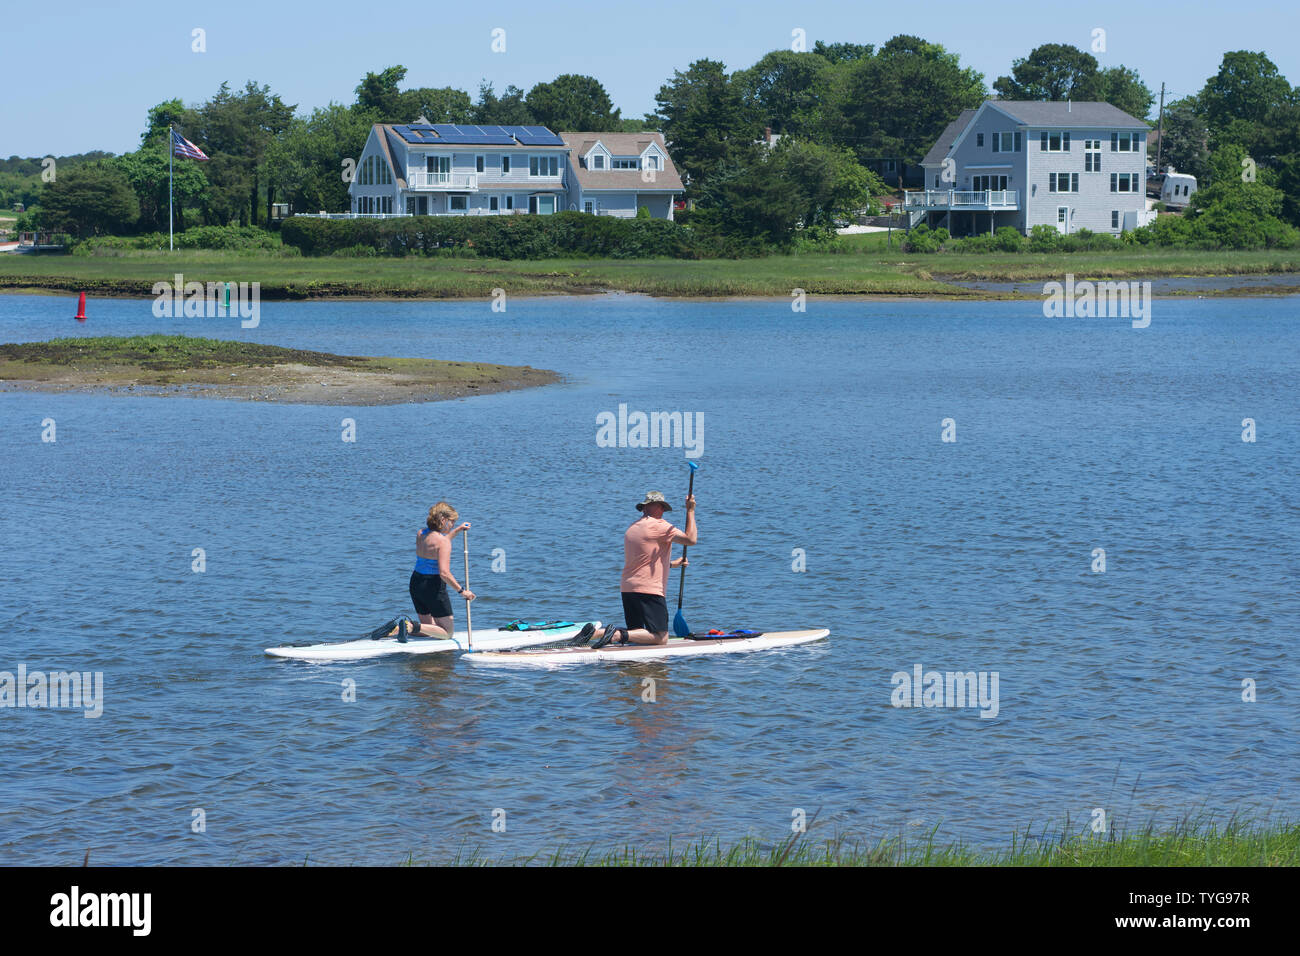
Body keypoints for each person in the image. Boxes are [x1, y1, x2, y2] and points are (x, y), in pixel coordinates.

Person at [580, 490, 697, 649]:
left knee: (638, 633)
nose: (663, 512)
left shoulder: (633, 527)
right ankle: (617, 635)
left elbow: (643, 560)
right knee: (660, 637)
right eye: (662, 507)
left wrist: (671, 564)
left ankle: (596, 633)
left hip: (628, 588)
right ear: (655, 507)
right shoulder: (659, 526)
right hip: (648, 590)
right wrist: (690, 510)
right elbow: (690, 539)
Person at [375, 502, 475, 640]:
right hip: (433, 586)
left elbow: (438, 543)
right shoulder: (443, 542)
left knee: (429, 629)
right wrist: (462, 591)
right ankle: (409, 626)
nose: (452, 525)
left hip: (416, 583)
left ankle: (397, 629)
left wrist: (457, 530)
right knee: (446, 633)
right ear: (443, 520)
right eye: (452, 522)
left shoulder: (421, 533)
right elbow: (444, 573)